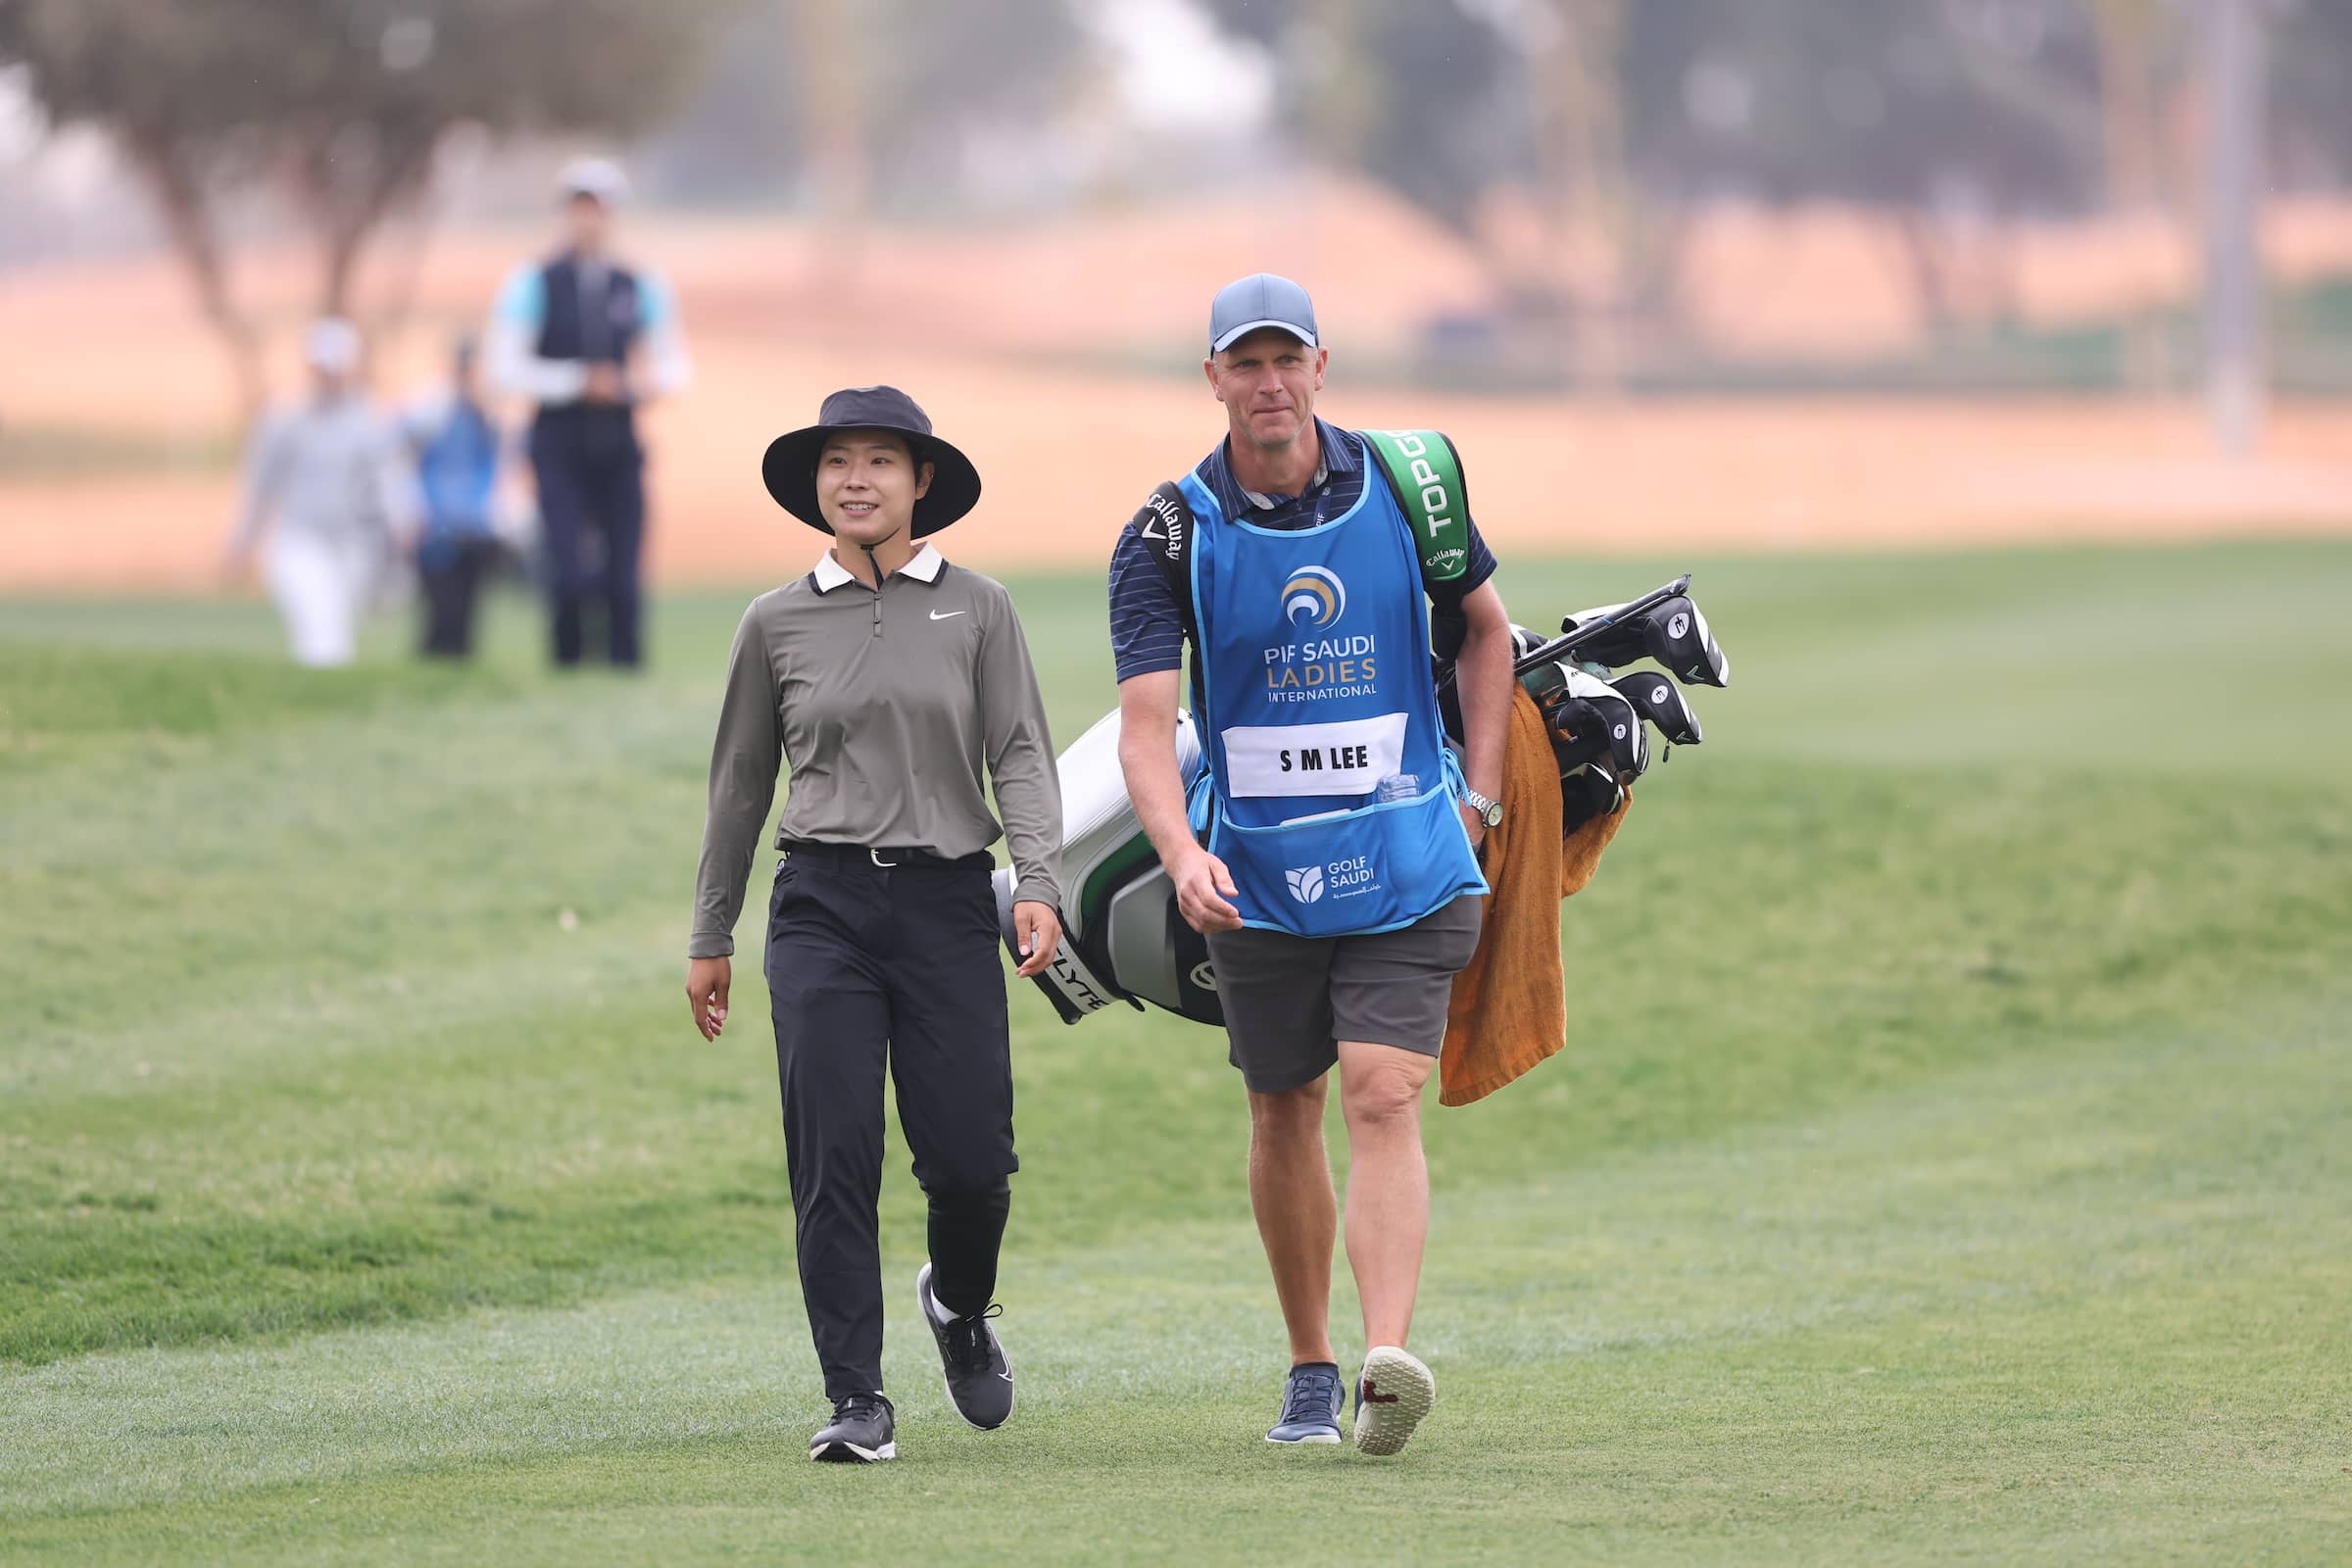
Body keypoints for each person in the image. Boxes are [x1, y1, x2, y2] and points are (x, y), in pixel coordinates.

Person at [1109, 273, 1516, 1455]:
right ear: (1214, 379)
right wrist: (1181, 852)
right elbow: (1146, 728)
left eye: (1288, 359)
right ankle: (1309, 1365)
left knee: (1382, 1090)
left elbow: (1486, 631)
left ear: (1321, 367)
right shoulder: (1168, 533)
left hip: (1408, 858)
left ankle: (1387, 1366)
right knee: (1282, 1101)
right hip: (1258, 879)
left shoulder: (1411, 481)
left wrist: (1481, 797)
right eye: (1246, 363)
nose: (1270, 382)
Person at [686, 386, 1065, 1465]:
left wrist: (1036, 879)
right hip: (822, 908)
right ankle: (856, 1396)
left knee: (972, 1164)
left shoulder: (980, 608)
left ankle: (960, 1303)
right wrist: (711, 933)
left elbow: (1021, 753)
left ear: (920, 481)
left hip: (948, 904)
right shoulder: (774, 621)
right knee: (834, 1157)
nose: (856, 480)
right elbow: (739, 785)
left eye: (880, 461)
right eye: (837, 462)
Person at [485, 158, 691, 669]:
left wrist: (636, 385)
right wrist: (578, 381)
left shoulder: (638, 282)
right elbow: (504, 368)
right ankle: (568, 662)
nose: (588, 218)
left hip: (618, 441)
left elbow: (673, 365)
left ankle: (625, 666)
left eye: (597, 208)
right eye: (579, 207)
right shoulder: (534, 281)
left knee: (624, 571)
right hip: (557, 443)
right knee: (566, 567)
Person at [221, 318, 415, 667]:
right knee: (322, 630)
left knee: (337, 629)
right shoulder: (284, 420)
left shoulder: (366, 419)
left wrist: (403, 519)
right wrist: (241, 544)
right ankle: (318, 683)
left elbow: (388, 477)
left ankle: (321, 683)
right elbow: (260, 486)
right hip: (300, 540)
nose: (329, 376)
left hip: (350, 544)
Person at [403, 336, 504, 660]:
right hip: (436, 521)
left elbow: (494, 461)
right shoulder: (432, 407)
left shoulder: (484, 412)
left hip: (473, 521)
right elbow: (408, 450)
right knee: (439, 599)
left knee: (468, 601)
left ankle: (459, 654)